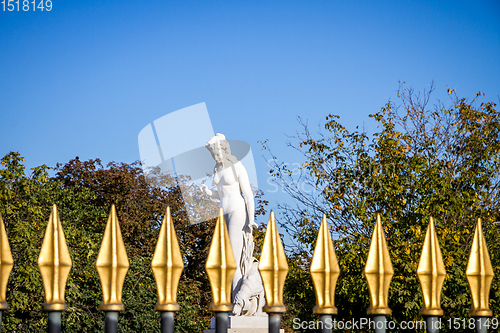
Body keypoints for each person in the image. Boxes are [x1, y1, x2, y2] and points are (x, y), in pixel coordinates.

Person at [200, 133, 258, 302]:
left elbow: (248, 194)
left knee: (234, 257)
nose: (216, 157)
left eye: (217, 153)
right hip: (223, 212)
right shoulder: (217, 168)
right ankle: (233, 298)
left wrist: (251, 219)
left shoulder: (237, 166)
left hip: (237, 211)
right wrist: (209, 193)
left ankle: (238, 300)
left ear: (224, 150)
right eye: (213, 155)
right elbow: (221, 192)